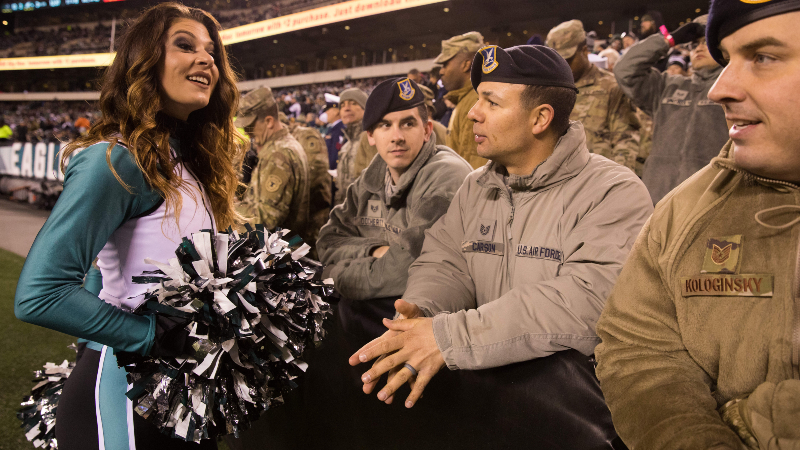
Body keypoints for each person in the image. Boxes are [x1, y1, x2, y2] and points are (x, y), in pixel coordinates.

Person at [349, 45, 652, 410]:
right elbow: (445, 264)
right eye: (478, 100)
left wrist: (448, 337)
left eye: (491, 102)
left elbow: (585, 302)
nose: (473, 114)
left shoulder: (612, 191)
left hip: (572, 411)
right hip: (493, 401)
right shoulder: (475, 187)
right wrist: (421, 316)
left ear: (540, 118)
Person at [14, 3, 244, 448]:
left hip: (177, 394)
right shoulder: (118, 159)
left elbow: (108, 267)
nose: (206, 60)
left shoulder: (188, 161)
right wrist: (149, 335)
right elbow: (40, 294)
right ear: (145, 61)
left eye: (212, 52)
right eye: (185, 45)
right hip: (122, 398)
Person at [595, 1, 800, 448]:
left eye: (762, 57)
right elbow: (637, 350)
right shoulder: (683, 208)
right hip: (653, 203)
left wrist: (757, 421)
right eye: (725, 56)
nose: (721, 90)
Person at [317, 77, 471, 301]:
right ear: (370, 135)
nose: (397, 137)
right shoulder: (371, 178)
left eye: (408, 124)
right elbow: (328, 241)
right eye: (385, 125)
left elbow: (408, 269)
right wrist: (375, 250)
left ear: (427, 130)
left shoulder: (446, 176)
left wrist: (334, 274)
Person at [615, 14, 728, 204]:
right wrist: (669, 39)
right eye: (693, 44)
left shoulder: (735, 91)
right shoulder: (668, 86)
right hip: (657, 199)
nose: (698, 47)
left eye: (706, 42)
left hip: (709, 203)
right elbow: (625, 70)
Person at [547, 20, 640, 171]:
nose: (562, 66)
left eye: (568, 60)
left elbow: (625, 140)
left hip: (596, 179)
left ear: (584, 51)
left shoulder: (611, 86)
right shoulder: (550, 88)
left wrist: (618, 183)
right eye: (557, 61)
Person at [235, 87, 315, 248]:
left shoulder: (278, 154)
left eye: (250, 126)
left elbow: (266, 219)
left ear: (269, 121)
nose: (247, 132)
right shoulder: (281, 146)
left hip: (278, 254)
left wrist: (231, 210)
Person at [435, 31, 487, 169]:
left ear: (465, 65)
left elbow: (474, 170)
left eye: (445, 64)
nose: (441, 71)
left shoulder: (475, 102)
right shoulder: (466, 100)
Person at [334, 87, 371, 205]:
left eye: (353, 103)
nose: (346, 108)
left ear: (365, 109)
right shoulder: (346, 145)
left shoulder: (373, 140)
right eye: (342, 105)